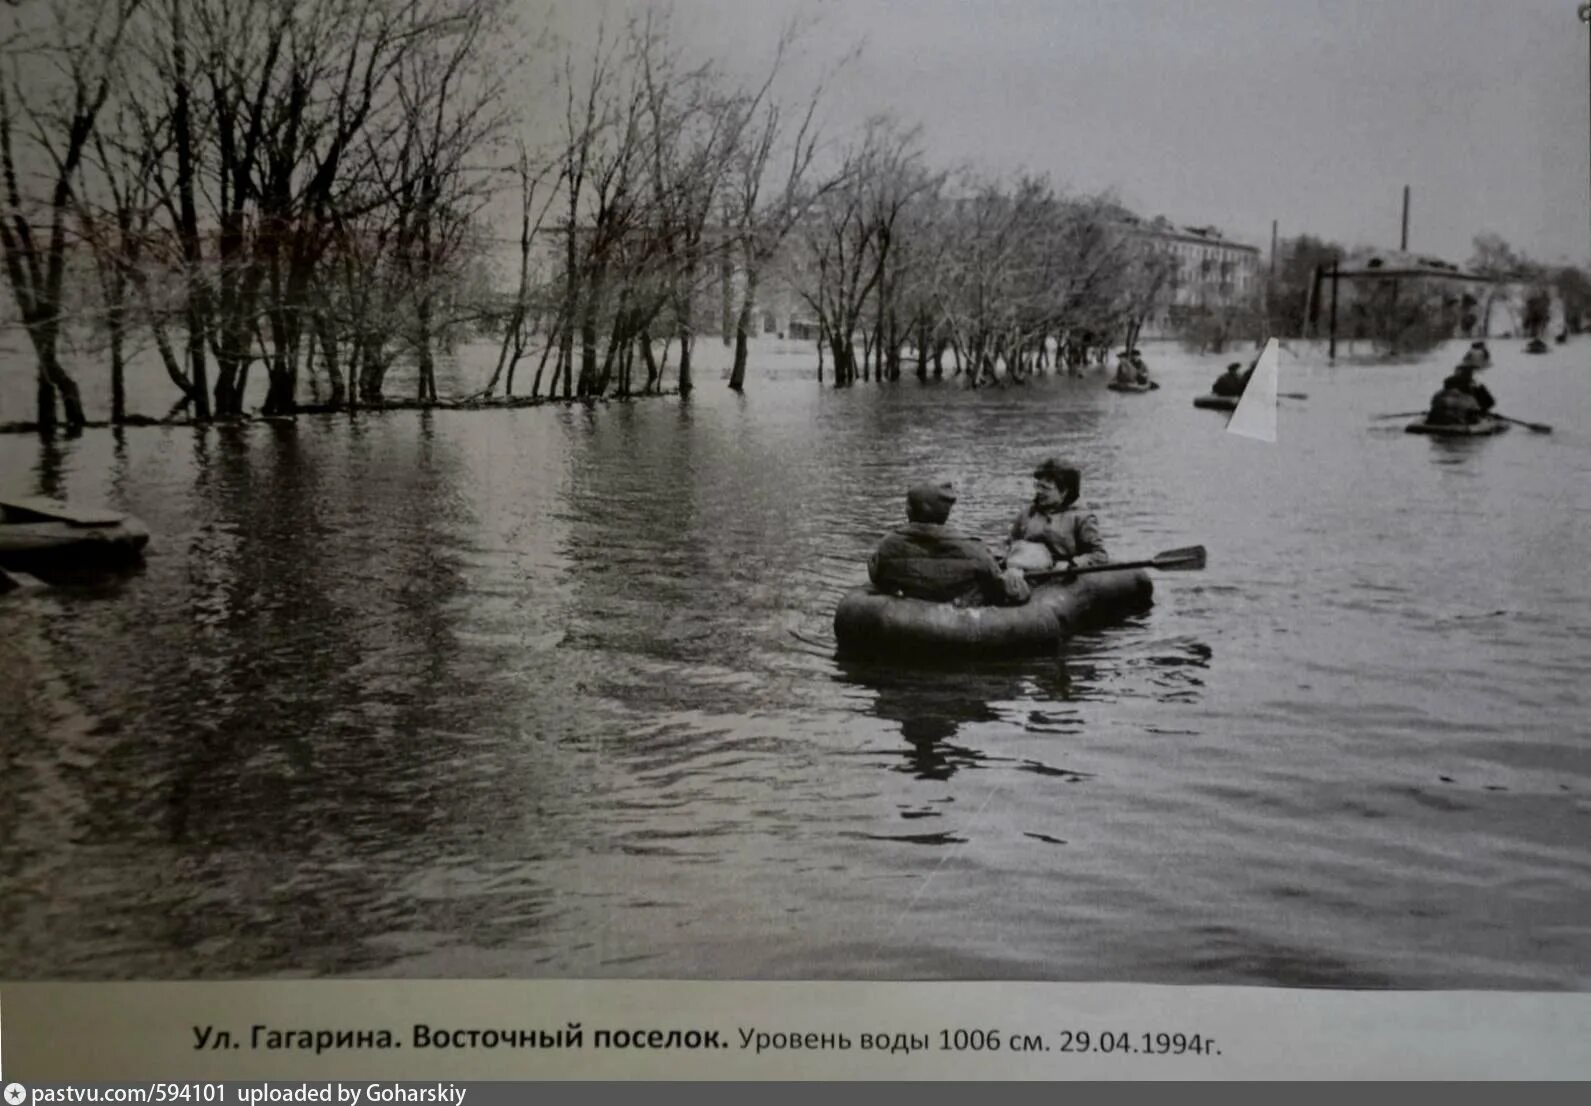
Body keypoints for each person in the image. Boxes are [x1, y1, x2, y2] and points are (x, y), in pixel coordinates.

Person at [868, 481, 1031, 607]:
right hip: (959, 620)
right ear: (944, 514)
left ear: (911, 511)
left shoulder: (887, 545)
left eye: (908, 504)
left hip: (904, 615)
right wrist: (1015, 577)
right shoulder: (974, 549)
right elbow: (1005, 591)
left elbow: (877, 576)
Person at [1005, 458, 1109, 575]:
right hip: (1026, 573)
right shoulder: (1027, 514)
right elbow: (1010, 545)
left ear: (1064, 491)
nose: (1039, 491)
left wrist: (1072, 564)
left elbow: (1099, 555)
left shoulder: (1082, 518)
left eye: (1045, 488)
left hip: (1063, 577)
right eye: (1037, 486)